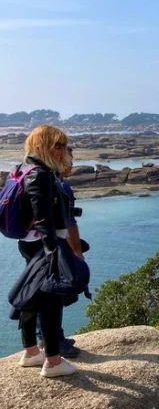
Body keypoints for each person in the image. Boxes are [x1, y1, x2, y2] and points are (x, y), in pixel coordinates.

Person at [15, 125, 79, 377]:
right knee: (51, 301)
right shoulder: (40, 175)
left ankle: (31, 351)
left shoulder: (25, 169)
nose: (63, 151)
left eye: (64, 145)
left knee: (32, 295)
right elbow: (43, 218)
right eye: (58, 145)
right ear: (42, 146)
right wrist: (54, 252)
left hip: (32, 243)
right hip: (45, 246)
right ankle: (53, 362)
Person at [35, 146, 82, 358]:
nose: (72, 164)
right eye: (69, 159)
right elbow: (70, 223)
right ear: (58, 158)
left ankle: (51, 337)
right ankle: (52, 342)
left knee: (44, 292)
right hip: (51, 246)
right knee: (52, 294)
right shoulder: (60, 186)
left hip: (35, 243)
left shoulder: (46, 180)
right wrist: (77, 252)